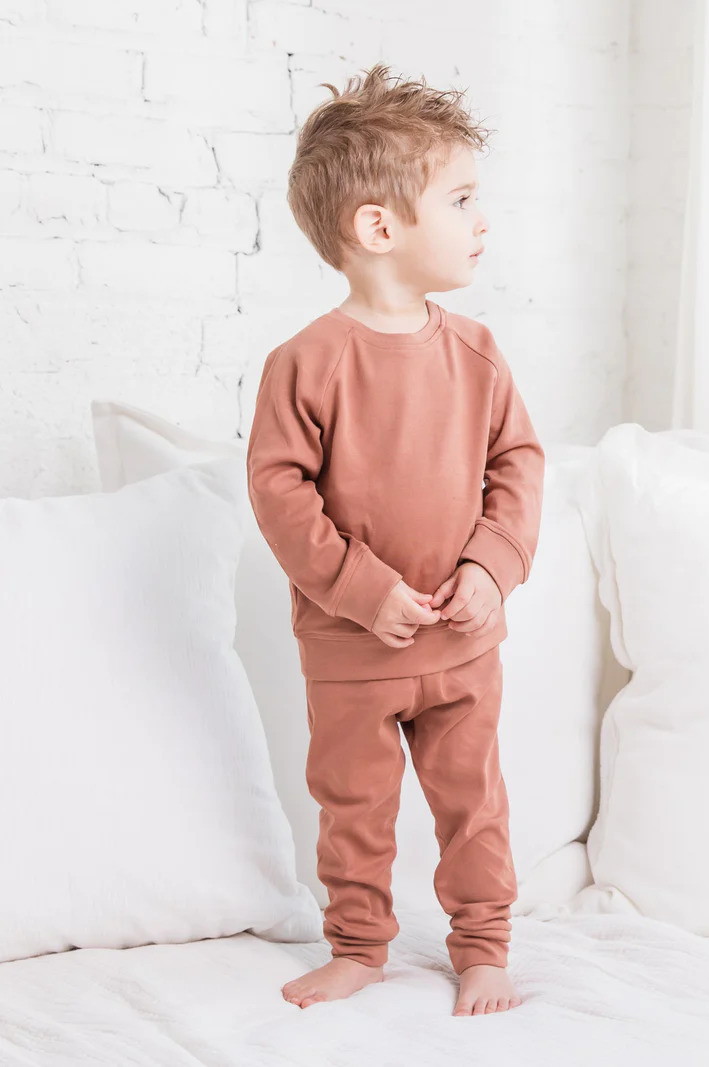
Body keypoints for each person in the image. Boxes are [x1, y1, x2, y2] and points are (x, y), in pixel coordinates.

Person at [246, 62, 545, 1017]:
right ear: (379, 228)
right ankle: (359, 945)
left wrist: (492, 568)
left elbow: (520, 464)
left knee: (475, 806)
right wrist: (363, 591)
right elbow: (280, 492)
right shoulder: (305, 364)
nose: (481, 220)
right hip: (351, 650)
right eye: (460, 200)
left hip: (463, 643)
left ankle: (485, 946)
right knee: (355, 809)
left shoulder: (479, 353)